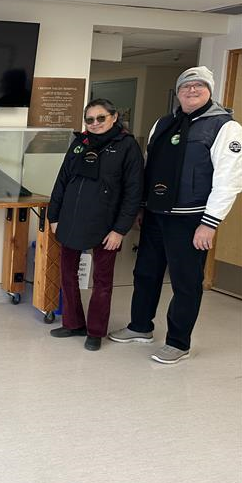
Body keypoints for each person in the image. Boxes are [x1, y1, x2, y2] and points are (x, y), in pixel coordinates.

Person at [109, 66, 242, 363]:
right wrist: (143, 207)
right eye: (186, 86)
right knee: (145, 273)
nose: (191, 90)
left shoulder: (225, 127)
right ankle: (140, 326)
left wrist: (210, 224)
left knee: (185, 281)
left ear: (210, 90)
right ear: (178, 91)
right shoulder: (164, 123)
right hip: (156, 214)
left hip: (192, 219)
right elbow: (149, 166)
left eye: (199, 85)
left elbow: (229, 180)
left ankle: (178, 343)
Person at [47, 99, 144, 350]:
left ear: (114, 117)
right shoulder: (80, 143)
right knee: (67, 274)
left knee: (102, 281)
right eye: (89, 119)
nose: (95, 124)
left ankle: (95, 331)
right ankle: (73, 323)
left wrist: (120, 230)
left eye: (101, 118)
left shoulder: (127, 146)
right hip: (71, 220)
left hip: (106, 226)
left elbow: (133, 193)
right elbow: (62, 181)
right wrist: (54, 217)